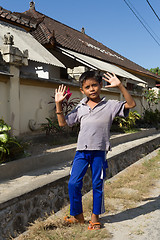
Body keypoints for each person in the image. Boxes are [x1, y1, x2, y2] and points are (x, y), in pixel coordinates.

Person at [55, 71, 136, 230]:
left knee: (97, 185)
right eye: (87, 87)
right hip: (81, 152)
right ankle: (78, 217)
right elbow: (63, 123)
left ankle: (95, 218)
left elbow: (131, 104)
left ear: (100, 86)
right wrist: (58, 104)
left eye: (94, 85)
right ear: (82, 90)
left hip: (99, 152)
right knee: (73, 183)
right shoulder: (80, 107)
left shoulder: (110, 105)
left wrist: (120, 85)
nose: (92, 89)